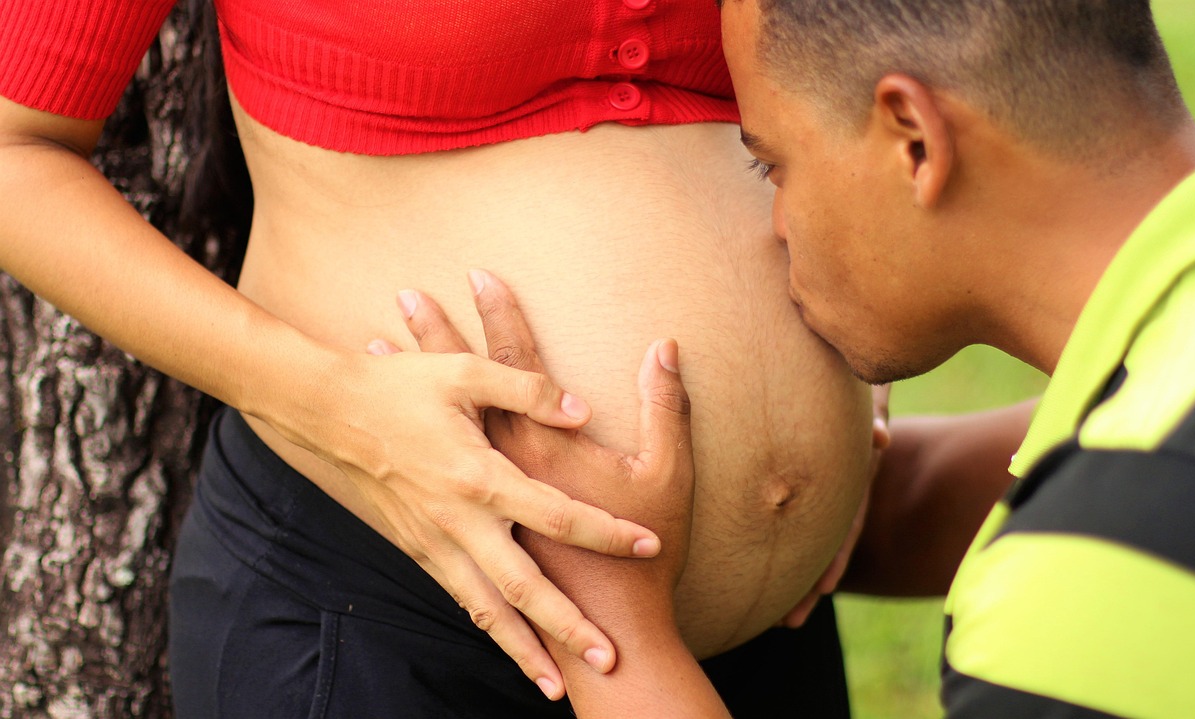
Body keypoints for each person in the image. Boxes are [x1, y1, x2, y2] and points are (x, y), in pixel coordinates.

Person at [0, 0, 882, 716]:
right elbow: (13, 154)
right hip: (389, 602)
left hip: (754, 649)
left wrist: (862, 331)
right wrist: (334, 402)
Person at [463, 0, 1195, 715]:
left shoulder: (1095, 581)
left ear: (915, 140)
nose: (776, 224)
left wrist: (613, 631)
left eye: (770, 164)